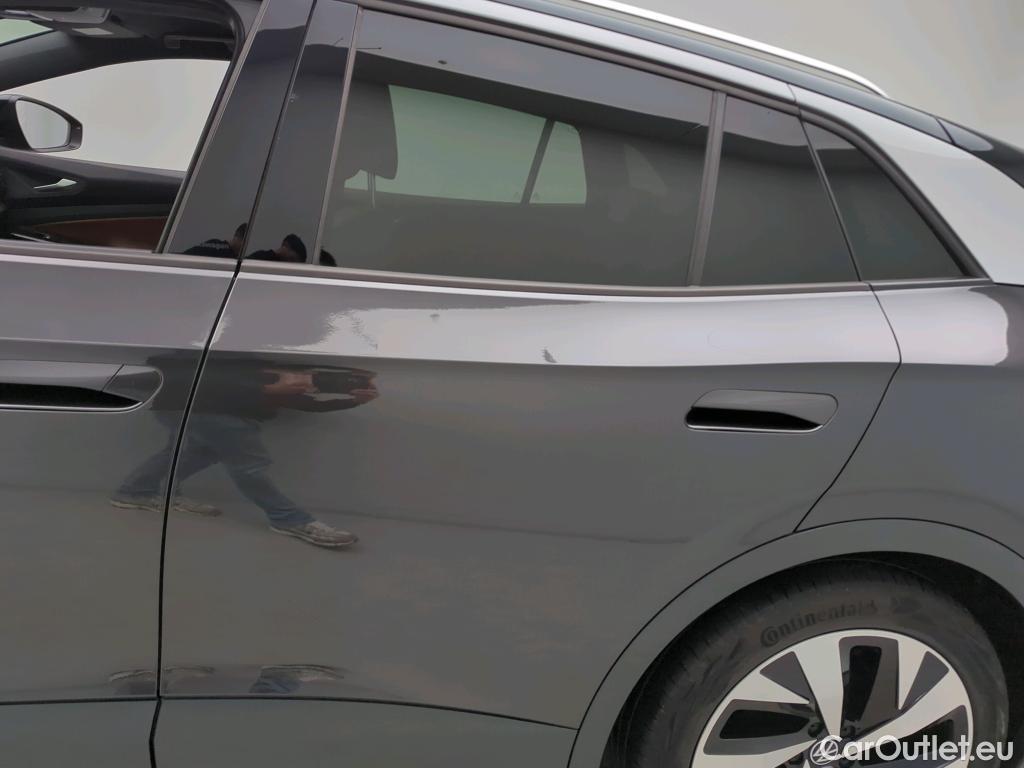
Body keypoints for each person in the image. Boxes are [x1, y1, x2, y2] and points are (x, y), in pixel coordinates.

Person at [112, 358, 378, 549]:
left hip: (183, 408)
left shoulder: (284, 376)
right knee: (250, 466)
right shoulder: (252, 365)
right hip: (209, 410)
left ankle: (137, 492)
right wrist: (264, 388)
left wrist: (353, 400)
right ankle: (289, 519)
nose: (312, 381)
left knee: (194, 453)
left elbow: (306, 404)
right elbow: (209, 376)